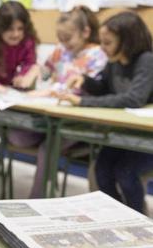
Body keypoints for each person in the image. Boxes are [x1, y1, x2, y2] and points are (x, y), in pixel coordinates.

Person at [56, 11, 153, 213]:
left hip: (146, 138)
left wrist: (83, 101)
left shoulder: (146, 60)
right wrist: (86, 81)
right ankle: (115, 215)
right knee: (101, 171)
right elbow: (104, 87)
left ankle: (137, 219)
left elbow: (134, 99)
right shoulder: (114, 61)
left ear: (127, 42)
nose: (102, 47)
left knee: (125, 172)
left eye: (107, 43)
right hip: (124, 133)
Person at [9, 6, 107, 198]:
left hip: (79, 119)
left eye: (68, 38)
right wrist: (31, 72)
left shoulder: (98, 55)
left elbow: (87, 88)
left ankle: (37, 200)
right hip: (50, 115)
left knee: (48, 149)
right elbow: (46, 70)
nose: (63, 43)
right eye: (60, 38)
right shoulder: (60, 50)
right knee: (17, 135)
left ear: (85, 32)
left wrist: (51, 91)